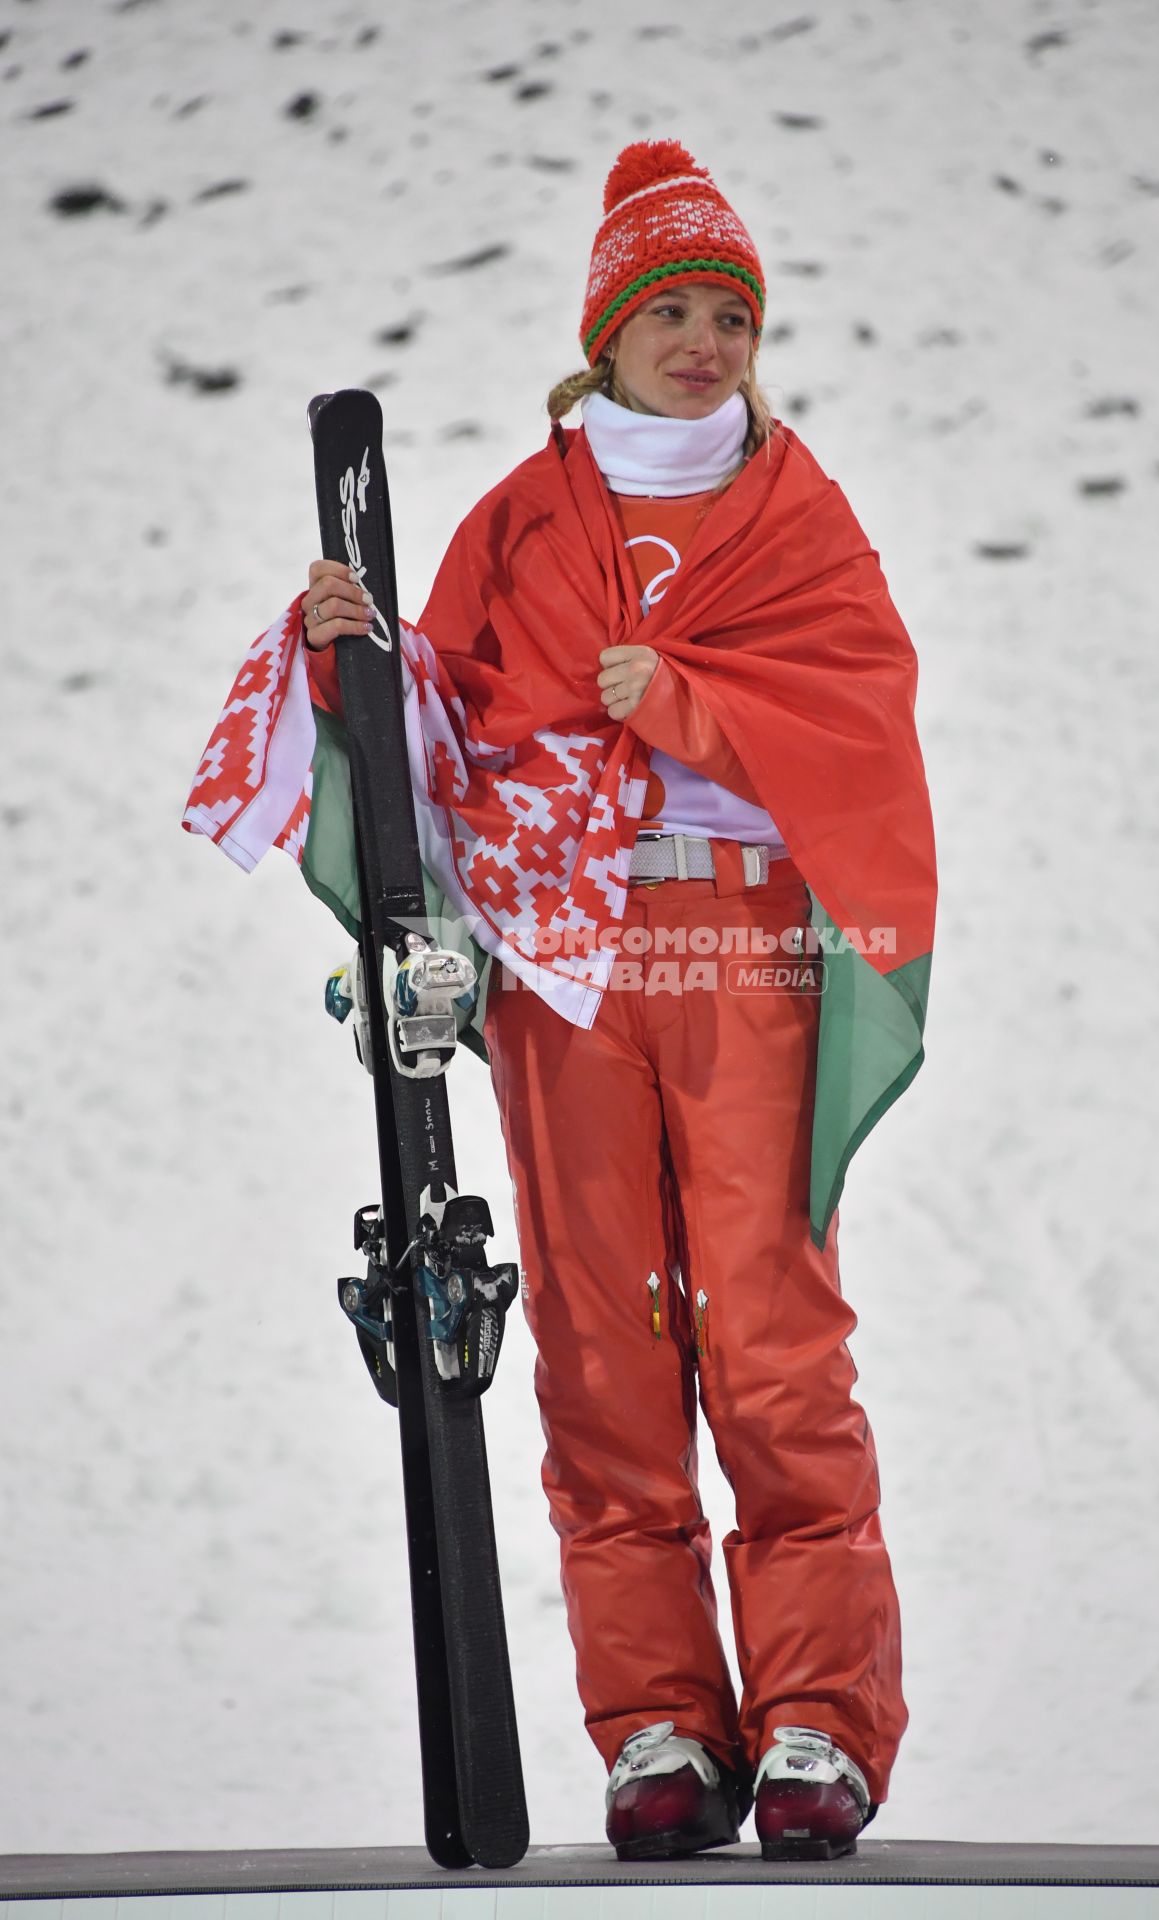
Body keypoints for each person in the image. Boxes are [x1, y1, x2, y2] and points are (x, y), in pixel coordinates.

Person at [185, 138, 936, 1863]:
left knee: (771, 1336)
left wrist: (686, 704)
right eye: (667, 309)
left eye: (727, 313)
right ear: (604, 328)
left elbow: (862, 725)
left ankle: (821, 1720)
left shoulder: (799, 511)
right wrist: (346, 649)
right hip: (563, 965)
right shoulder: (520, 517)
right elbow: (437, 728)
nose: (702, 341)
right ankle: (658, 1721)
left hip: (738, 947)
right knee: (602, 1342)